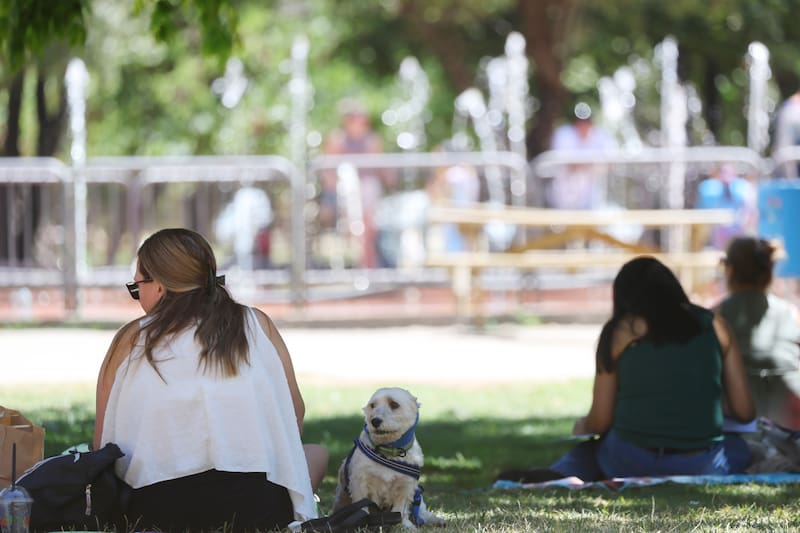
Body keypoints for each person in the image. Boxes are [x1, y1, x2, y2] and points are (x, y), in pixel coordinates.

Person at [93, 228, 328, 532]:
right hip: (258, 508)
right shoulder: (257, 324)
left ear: (160, 287)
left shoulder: (131, 338)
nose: (137, 298)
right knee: (316, 454)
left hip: (154, 513)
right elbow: (294, 418)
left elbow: (102, 446)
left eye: (137, 287)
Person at [500, 256, 755, 482]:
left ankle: (562, 473)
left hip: (629, 461)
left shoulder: (620, 332)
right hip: (702, 464)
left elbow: (600, 421)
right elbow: (745, 412)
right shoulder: (715, 326)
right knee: (738, 447)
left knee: (590, 449)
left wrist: (582, 426)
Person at [717, 237, 800, 431]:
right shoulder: (791, 315)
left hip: (736, 434)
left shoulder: (714, 319)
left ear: (730, 271)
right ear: (769, 272)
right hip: (789, 430)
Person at [322, 99, 392, 268]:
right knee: (353, 233)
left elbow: (381, 170)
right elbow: (328, 172)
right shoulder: (337, 140)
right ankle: (359, 268)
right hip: (344, 194)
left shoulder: (372, 141)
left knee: (368, 232)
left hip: (368, 193)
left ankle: (369, 267)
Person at [547, 102, 617, 210]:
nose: (583, 125)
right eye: (580, 121)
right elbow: (566, 163)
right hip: (564, 191)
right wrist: (593, 164)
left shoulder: (601, 136)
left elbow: (611, 163)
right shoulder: (564, 134)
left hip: (593, 191)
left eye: (586, 121)